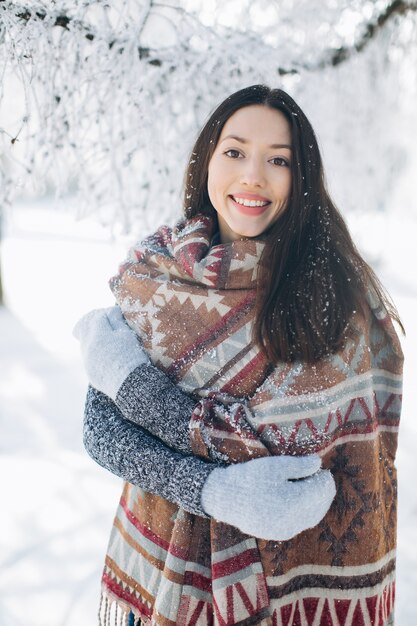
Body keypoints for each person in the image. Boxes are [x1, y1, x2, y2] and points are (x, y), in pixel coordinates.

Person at [74, 85, 403, 626]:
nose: (253, 175)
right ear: (207, 160)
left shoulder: (338, 298)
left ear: (302, 180)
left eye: (279, 160)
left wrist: (131, 382)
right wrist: (214, 491)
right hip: (161, 586)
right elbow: (101, 431)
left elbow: (305, 463)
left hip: (296, 598)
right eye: (235, 151)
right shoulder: (155, 279)